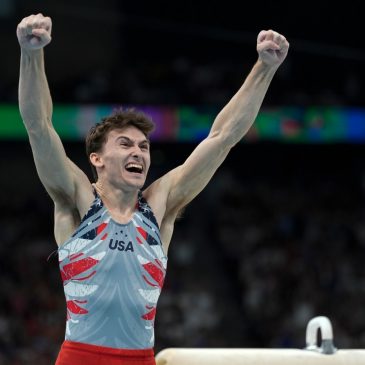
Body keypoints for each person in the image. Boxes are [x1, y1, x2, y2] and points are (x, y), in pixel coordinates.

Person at [17, 12, 289, 365]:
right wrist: (30, 53)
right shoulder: (77, 197)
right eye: (126, 144)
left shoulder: (159, 205)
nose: (138, 152)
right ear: (96, 159)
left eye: (144, 147)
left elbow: (222, 138)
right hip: (81, 357)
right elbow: (39, 127)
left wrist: (264, 67)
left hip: (139, 359)